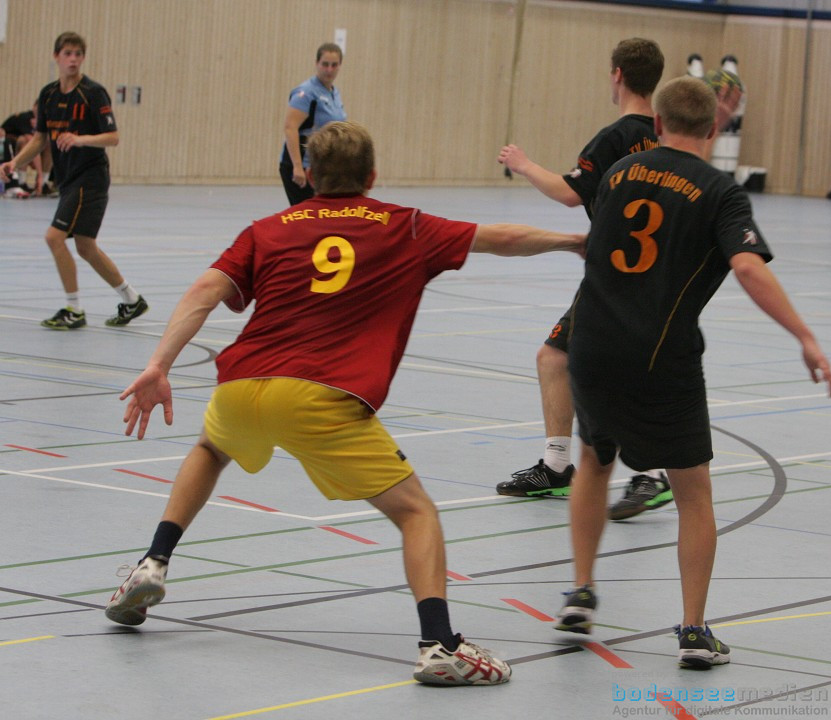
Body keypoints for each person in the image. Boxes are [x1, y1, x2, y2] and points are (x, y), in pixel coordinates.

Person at [104, 120, 584, 686]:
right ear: (373, 176)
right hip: (321, 396)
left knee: (211, 448)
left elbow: (203, 292)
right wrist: (573, 242)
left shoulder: (267, 228)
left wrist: (158, 364)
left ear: (307, 175)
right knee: (417, 513)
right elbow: (500, 237)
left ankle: (152, 562)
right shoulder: (404, 225)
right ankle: (439, 646)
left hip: (240, 386)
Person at [555, 77, 831, 668]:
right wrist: (804, 335)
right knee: (694, 492)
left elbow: (595, 245)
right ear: (714, 130)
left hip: (591, 344)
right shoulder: (719, 192)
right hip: (660, 357)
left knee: (594, 460)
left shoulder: (617, 175)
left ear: (656, 125)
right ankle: (693, 630)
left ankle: (580, 592)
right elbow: (749, 269)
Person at [496, 37, 673, 520]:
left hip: (615, 279)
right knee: (560, 356)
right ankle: (558, 466)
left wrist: (523, 164)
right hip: (656, 276)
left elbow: (573, 192)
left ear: (617, 75)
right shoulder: (667, 135)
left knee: (581, 362)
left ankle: (650, 472)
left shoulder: (613, 138)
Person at [0, 32, 148, 329]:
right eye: (67, 53)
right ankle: (133, 301)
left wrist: (80, 140)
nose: (73, 59)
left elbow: (113, 137)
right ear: (56, 56)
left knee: (54, 237)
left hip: (90, 177)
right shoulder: (49, 95)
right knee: (85, 247)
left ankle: (74, 309)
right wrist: (16, 162)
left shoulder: (93, 93)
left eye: (78, 54)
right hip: (69, 180)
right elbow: (41, 138)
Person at [280, 42, 346, 205]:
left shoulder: (334, 93)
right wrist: (297, 167)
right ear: (317, 64)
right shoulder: (306, 93)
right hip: (304, 165)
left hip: (322, 166)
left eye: (334, 65)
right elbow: (290, 127)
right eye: (325, 64)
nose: (329, 69)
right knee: (306, 216)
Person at [2, 102, 54, 196]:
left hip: (27, 150)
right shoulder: (25, 117)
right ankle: (22, 182)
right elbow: (34, 146)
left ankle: (43, 184)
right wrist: (39, 174)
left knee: (49, 143)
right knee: (24, 141)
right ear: (34, 106)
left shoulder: (45, 120)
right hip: (10, 147)